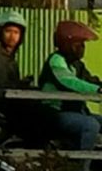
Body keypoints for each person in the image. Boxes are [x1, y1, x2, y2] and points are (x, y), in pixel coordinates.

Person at [0, 10, 56, 145]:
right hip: (7, 104)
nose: (12, 36)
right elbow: (0, 86)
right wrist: (21, 86)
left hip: (13, 101)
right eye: (8, 31)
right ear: (0, 32)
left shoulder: (8, 56)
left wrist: (23, 84)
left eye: (16, 32)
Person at [39, 20, 102, 168]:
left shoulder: (76, 64)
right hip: (55, 113)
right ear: (68, 44)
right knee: (90, 125)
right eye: (79, 44)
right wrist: (96, 90)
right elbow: (69, 81)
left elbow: (91, 80)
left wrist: (98, 86)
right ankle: (82, 167)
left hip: (76, 111)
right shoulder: (56, 61)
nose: (82, 48)